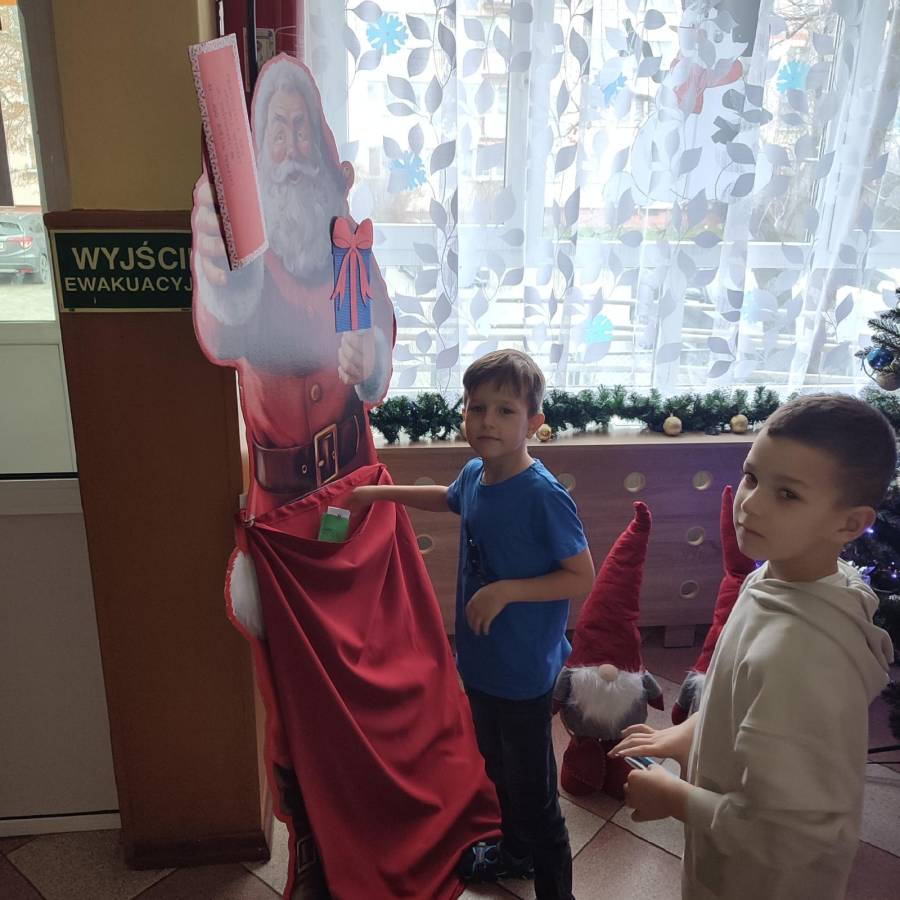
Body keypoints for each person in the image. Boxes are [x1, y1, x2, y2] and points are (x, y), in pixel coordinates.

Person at [610, 393, 897, 900]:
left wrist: (675, 798)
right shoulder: (778, 578)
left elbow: (789, 836)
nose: (751, 503)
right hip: (727, 857)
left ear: (849, 524)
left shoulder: (800, 657)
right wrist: (690, 734)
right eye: (751, 477)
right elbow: (737, 692)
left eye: (787, 494)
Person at [351, 349, 595, 900]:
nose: (487, 421)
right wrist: (377, 493)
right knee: (499, 770)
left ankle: (555, 888)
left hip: (525, 674)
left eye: (505, 411)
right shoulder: (476, 474)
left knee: (536, 797)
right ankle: (515, 854)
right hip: (483, 664)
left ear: (533, 422)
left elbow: (581, 575)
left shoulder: (542, 496)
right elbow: (449, 498)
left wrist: (507, 590)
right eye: (477, 407)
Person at [192, 55, 394, 520]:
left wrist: (371, 356)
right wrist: (219, 272)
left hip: (353, 487)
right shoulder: (244, 251)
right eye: (278, 133)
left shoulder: (347, 241)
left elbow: (378, 323)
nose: (292, 151)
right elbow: (226, 337)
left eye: (301, 130)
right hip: (279, 504)